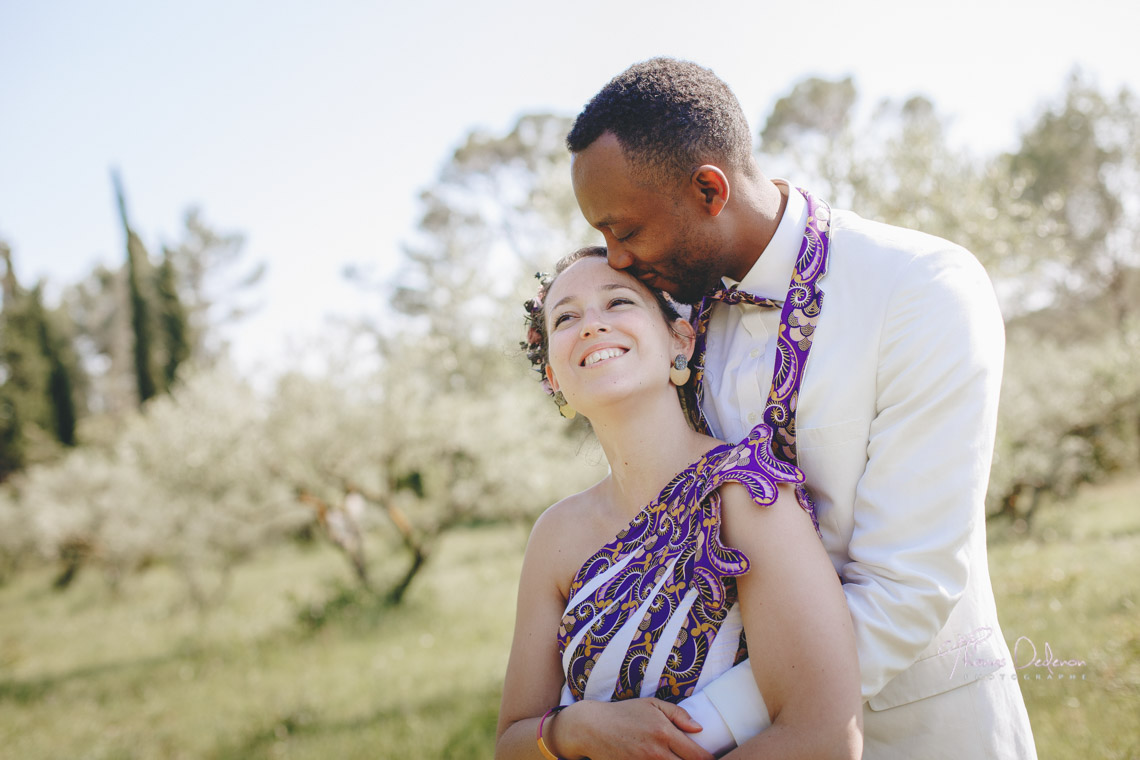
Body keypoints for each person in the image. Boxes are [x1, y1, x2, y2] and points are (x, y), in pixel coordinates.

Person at [563, 58, 1036, 759]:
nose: (617, 260)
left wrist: (692, 734)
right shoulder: (675, 318)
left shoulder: (921, 289)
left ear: (708, 190)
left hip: (917, 733)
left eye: (625, 232)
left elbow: (908, 585)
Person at [495, 247, 862, 760]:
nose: (592, 326)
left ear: (679, 340)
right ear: (553, 377)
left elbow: (822, 736)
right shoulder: (554, 536)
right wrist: (573, 729)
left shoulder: (746, 492)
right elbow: (511, 741)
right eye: (566, 317)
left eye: (618, 303)